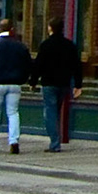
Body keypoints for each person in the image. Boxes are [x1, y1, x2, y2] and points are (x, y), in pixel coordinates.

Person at [0, 20, 34, 155]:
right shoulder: (20, 46)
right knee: (13, 113)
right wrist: (23, 79)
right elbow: (29, 65)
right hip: (15, 84)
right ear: (12, 29)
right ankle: (13, 140)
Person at [34, 20, 83, 153]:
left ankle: (55, 143)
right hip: (63, 83)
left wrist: (33, 81)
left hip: (48, 83)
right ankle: (56, 139)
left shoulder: (45, 45)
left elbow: (39, 64)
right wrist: (78, 84)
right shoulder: (69, 45)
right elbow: (77, 66)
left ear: (50, 28)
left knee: (50, 112)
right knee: (56, 110)